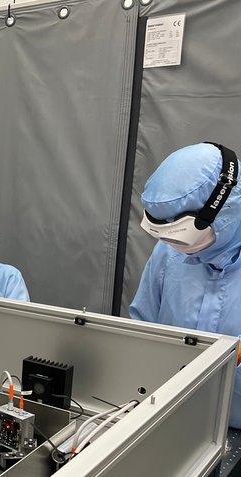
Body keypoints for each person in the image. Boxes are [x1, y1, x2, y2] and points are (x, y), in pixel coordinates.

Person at [130, 142, 241, 427]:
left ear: (225, 212)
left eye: (182, 238)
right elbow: (144, 330)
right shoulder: (168, 254)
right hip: (172, 420)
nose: (176, 248)